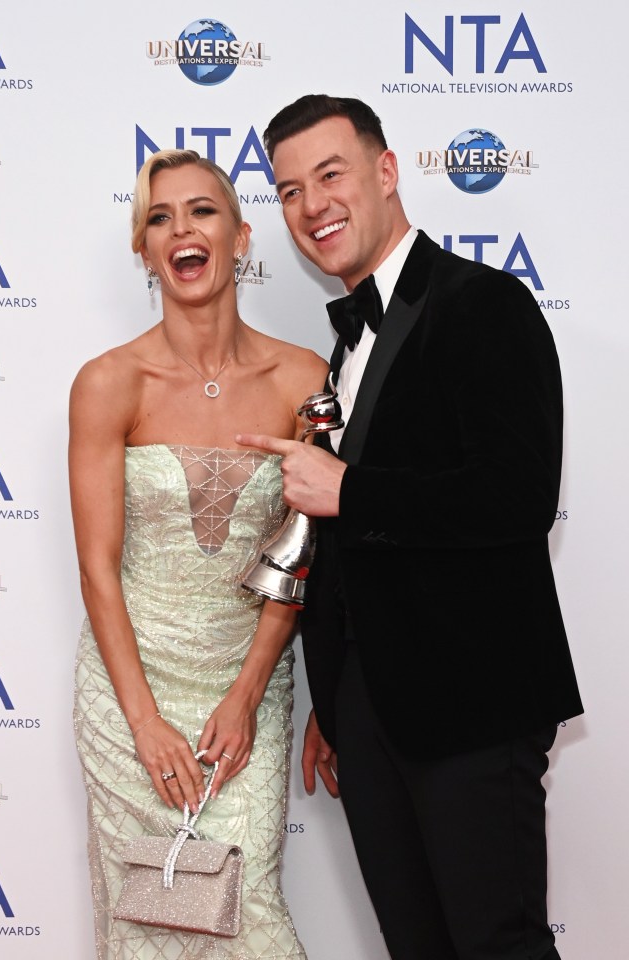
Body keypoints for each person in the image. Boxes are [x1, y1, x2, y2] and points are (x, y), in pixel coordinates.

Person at [236, 95, 584, 960]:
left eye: (330, 175)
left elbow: (516, 496)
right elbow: (354, 560)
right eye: (288, 190)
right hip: (371, 715)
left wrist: (352, 489)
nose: (312, 205)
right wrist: (335, 695)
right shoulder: (344, 349)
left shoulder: (482, 303)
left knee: (496, 946)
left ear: (386, 173)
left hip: (471, 703)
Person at [70, 148, 325, 960]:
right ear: (144, 251)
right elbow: (97, 570)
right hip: (128, 698)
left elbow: (304, 555)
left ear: (243, 237)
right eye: (158, 216)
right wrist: (144, 724)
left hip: (245, 690)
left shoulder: (304, 377)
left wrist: (250, 694)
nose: (181, 227)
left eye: (202, 210)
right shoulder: (110, 383)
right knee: (145, 924)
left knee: (247, 920)